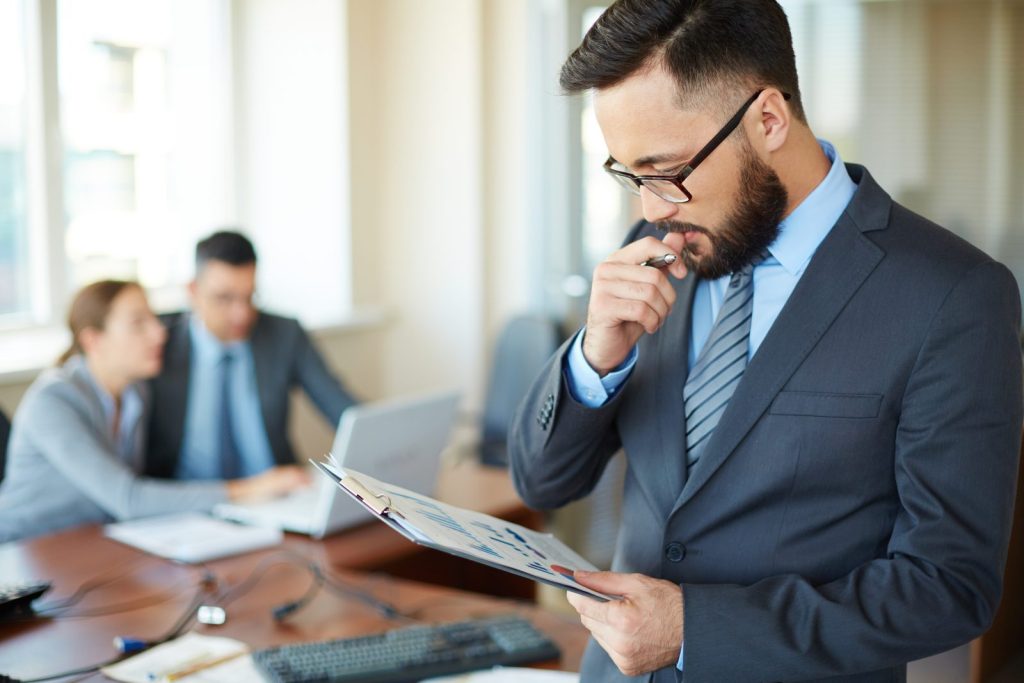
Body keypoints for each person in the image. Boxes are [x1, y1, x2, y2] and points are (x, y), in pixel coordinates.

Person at [508, 1, 1023, 681]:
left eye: (666, 171)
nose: (651, 208)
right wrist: (594, 356)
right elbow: (541, 479)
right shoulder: (655, 249)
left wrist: (693, 629)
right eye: (630, 175)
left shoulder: (953, 296)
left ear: (769, 119)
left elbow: (948, 586)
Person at [0, 280, 308, 543]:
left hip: (93, 545)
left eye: (153, 319)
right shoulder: (52, 402)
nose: (159, 333)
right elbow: (129, 499)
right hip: (25, 552)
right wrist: (250, 489)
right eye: (139, 323)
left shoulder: (138, 394)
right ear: (93, 340)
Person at [147, 231, 358, 481]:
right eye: (224, 298)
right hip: (187, 506)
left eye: (249, 297)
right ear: (192, 291)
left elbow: (343, 410)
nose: (242, 314)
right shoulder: (157, 342)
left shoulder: (284, 334)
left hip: (276, 497)